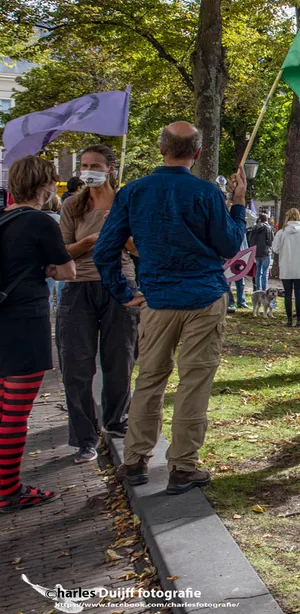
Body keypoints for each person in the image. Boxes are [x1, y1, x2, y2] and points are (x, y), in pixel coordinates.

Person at [94, 123, 247, 496]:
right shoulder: (207, 193)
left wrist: (122, 291)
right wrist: (239, 204)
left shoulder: (134, 192)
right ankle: (182, 466)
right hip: (203, 298)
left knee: (149, 379)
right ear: (197, 153)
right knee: (194, 382)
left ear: (162, 148)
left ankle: (135, 460)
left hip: (158, 299)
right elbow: (230, 246)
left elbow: (104, 249)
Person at [0, 156, 76, 512]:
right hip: (26, 325)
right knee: (15, 414)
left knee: (3, 408)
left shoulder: (2, 218)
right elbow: (67, 271)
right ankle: (8, 490)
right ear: (46, 187)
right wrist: (49, 268)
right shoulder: (41, 221)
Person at [57, 144, 139, 465]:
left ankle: (117, 419)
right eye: (84, 165)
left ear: (110, 169)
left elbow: (139, 248)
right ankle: (84, 438)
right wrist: (91, 241)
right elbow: (63, 251)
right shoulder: (72, 205)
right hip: (79, 287)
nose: (88, 171)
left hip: (119, 285)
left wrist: (117, 232)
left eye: (95, 165)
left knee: (120, 357)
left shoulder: (125, 202)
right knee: (76, 364)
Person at [272, 208, 300, 328]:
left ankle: (289, 320)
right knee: (299, 293)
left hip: (285, 267)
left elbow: (275, 248)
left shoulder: (281, 232)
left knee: (287, 294)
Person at [246, 212, 273, 295]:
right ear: (267, 219)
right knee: (265, 272)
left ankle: (258, 289)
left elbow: (250, 239)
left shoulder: (254, 228)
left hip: (257, 252)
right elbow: (271, 240)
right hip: (265, 252)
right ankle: (264, 290)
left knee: (258, 272)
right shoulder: (268, 228)